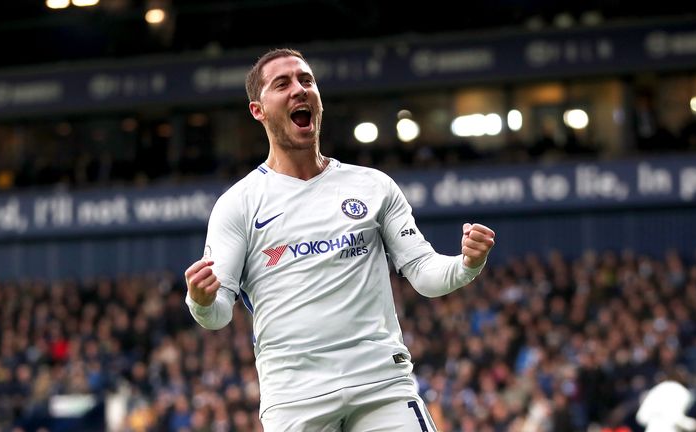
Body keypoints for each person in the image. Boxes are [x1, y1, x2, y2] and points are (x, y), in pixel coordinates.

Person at [183, 48, 495, 431]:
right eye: (282, 84)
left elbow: (423, 272)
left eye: (306, 80)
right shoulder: (238, 205)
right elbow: (217, 315)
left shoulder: (373, 186)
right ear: (258, 110)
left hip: (382, 386)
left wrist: (466, 264)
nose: (299, 89)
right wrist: (199, 301)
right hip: (296, 398)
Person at [635, 367, 696, 432]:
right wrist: (694, 425)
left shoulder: (656, 389)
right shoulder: (682, 392)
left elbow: (641, 417)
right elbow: (676, 418)